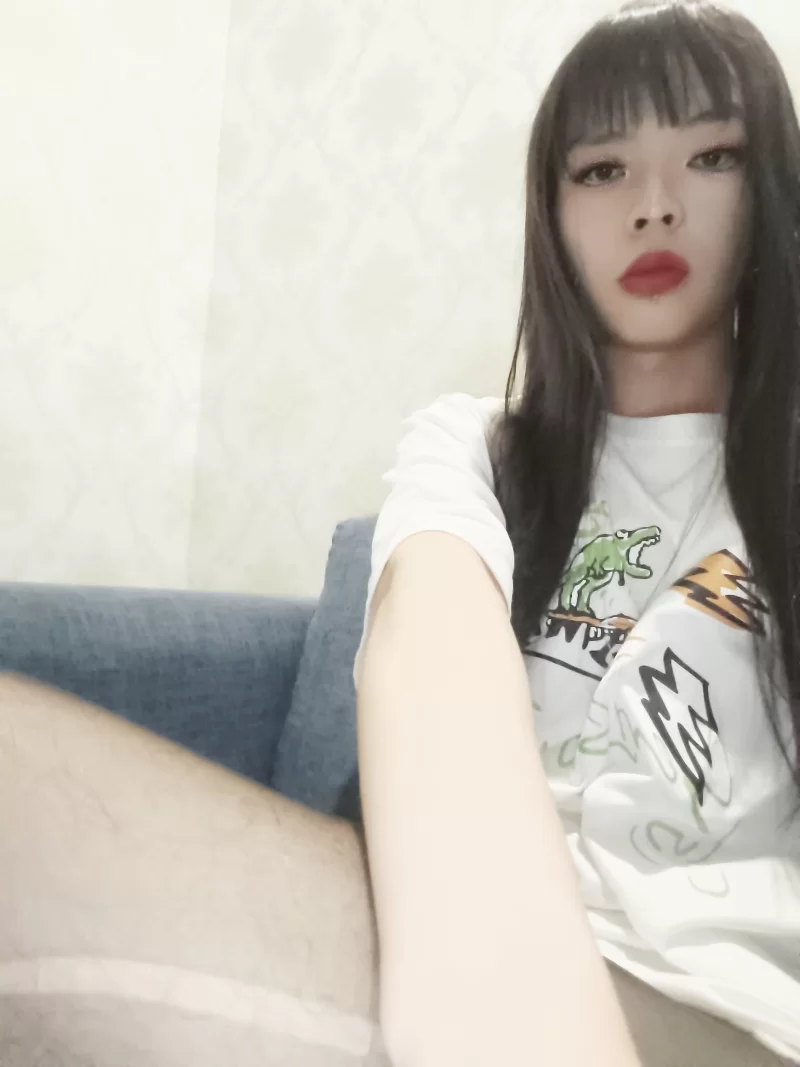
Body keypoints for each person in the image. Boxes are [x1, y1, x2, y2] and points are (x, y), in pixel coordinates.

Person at [1, 2, 797, 1066]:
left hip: (717, 1011)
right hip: (451, 952)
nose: (652, 205)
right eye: (602, 169)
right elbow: (432, 654)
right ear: (550, 211)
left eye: (709, 155)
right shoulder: (477, 447)